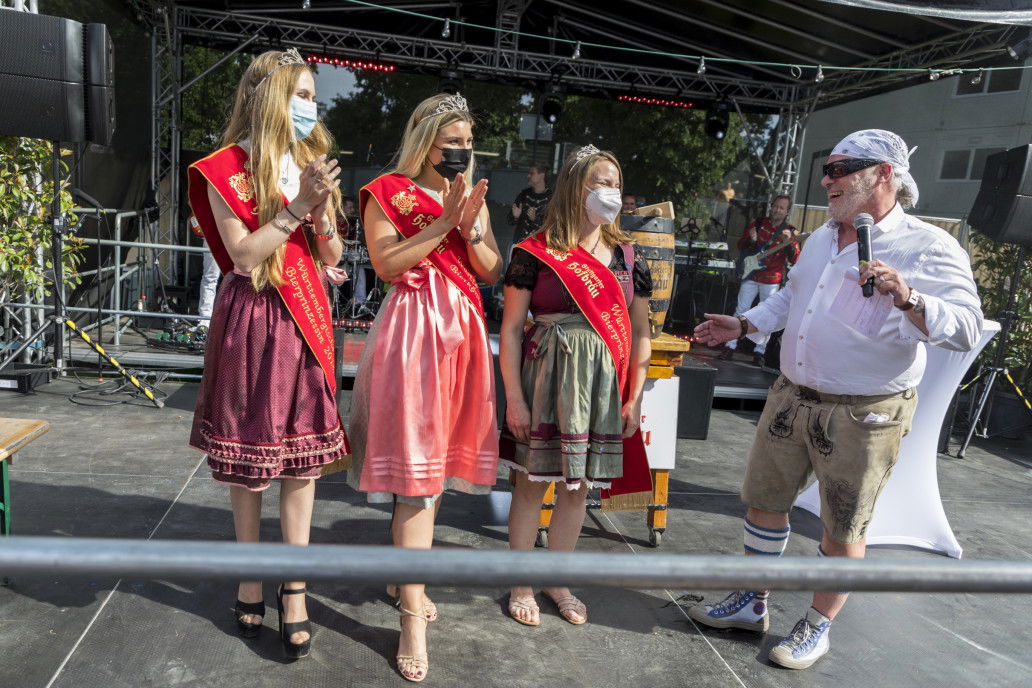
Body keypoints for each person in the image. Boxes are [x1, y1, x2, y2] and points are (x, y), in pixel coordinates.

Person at [690, 129, 983, 670]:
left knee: (844, 525)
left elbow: (966, 326)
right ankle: (753, 602)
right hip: (791, 397)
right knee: (764, 501)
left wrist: (910, 296)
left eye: (844, 167)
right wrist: (745, 323)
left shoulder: (928, 245)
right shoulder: (822, 237)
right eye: (827, 168)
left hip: (864, 412)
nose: (828, 179)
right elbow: (791, 297)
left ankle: (817, 624)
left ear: (886, 175)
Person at [186, 48, 349, 661]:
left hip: (305, 320)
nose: (311, 106)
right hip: (253, 317)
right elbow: (245, 256)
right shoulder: (225, 167)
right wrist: (298, 207)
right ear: (269, 98)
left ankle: (296, 587)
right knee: (252, 465)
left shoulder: (309, 164)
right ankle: (251, 575)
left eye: (314, 95)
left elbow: (330, 258)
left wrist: (323, 210)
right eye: (301, 94)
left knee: (302, 465)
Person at [349, 92, 502, 682]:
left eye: (468, 143)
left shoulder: (469, 194)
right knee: (414, 475)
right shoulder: (388, 191)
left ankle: (402, 576)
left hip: (462, 327)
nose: (462, 152)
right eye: (452, 143)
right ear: (424, 142)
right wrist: (443, 224)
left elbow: (489, 267)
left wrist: (473, 228)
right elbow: (386, 264)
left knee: (432, 470)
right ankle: (411, 616)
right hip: (414, 330)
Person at [499, 145, 653, 628]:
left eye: (615, 183)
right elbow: (509, 329)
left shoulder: (629, 255)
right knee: (530, 486)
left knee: (578, 489)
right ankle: (521, 580)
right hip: (547, 376)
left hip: (602, 386)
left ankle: (556, 578)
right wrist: (515, 401)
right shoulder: (535, 252)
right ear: (574, 189)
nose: (611, 192)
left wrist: (635, 394)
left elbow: (641, 331)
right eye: (600, 183)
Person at [719, 194, 799, 365]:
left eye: (781, 208)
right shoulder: (759, 224)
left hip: (772, 278)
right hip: (752, 274)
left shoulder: (791, 232)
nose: (777, 210)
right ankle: (730, 346)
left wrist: (789, 243)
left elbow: (796, 260)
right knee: (741, 309)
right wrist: (751, 239)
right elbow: (741, 246)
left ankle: (759, 352)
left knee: (769, 314)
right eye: (775, 206)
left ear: (787, 212)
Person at [508, 163, 552, 245]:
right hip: (519, 243)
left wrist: (535, 219)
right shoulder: (524, 194)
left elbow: (553, 227)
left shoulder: (552, 198)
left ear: (542, 176)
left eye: (532, 173)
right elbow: (510, 221)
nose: (528, 176)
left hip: (539, 247)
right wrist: (515, 216)